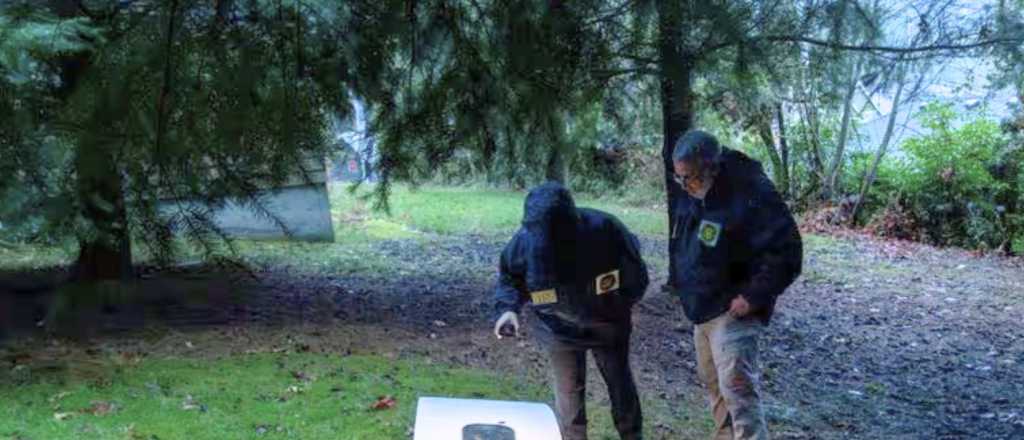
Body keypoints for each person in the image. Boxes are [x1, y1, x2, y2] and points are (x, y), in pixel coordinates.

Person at [668, 130, 803, 440]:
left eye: (690, 178)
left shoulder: (751, 191)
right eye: (680, 179)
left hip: (733, 310)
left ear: (711, 167)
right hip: (701, 308)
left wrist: (753, 296)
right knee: (715, 390)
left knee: (738, 396)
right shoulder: (693, 191)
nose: (685, 187)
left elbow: (788, 252)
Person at [493, 181, 649, 440]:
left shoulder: (607, 230)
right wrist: (507, 310)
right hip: (557, 329)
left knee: (620, 386)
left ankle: (632, 435)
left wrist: (615, 306)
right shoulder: (524, 242)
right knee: (568, 396)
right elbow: (510, 277)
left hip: (607, 325)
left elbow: (636, 277)